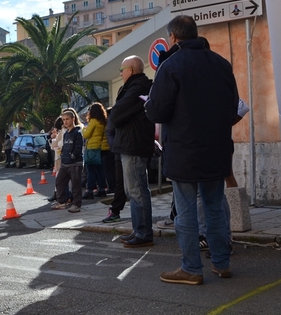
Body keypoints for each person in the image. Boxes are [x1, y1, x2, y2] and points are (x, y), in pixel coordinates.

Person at [145, 15, 239, 285]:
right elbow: (232, 107)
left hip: (184, 151)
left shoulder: (170, 65)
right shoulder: (222, 64)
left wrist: (148, 106)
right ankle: (222, 263)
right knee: (214, 208)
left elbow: (158, 109)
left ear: (173, 37)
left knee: (186, 211)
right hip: (217, 149)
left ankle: (191, 269)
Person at [109, 55, 156, 248]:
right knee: (132, 190)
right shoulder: (133, 87)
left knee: (137, 190)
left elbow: (116, 113)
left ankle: (144, 233)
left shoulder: (138, 87)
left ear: (130, 70)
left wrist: (116, 115)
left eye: (122, 70)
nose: (120, 73)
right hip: (130, 143)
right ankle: (139, 230)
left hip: (134, 144)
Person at [51, 109, 83, 213]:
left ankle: (76, 205)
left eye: (67, 119)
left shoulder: (77, 133)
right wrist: (63, 155)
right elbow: (64, 146)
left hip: (75, 163)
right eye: (63, 119)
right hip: (65, 163)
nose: (65, 122)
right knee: (59, 181)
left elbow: (78, 148)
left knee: (76, 185)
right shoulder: (65, 134)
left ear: (73, 119)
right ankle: (61, 202)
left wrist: (72, 156)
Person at [102, 107, 128, 223]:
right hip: (119, 151)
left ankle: (142, 222)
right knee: (120, 183)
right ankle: (115, 210)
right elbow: (110, 131)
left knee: (137, 184)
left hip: (135, 149)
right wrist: (115, 146)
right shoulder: (116, 111)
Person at [82, 102, 108, 199]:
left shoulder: (93, 121)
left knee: (90, 171)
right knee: (100, 171)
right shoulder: (103, 122)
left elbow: (86, 135)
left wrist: (83, 129)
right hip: (102, 148)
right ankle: (102, 189)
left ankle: (90, 191)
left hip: (92, 148)